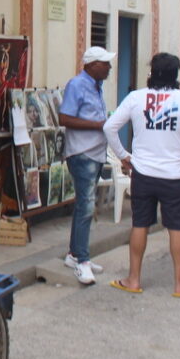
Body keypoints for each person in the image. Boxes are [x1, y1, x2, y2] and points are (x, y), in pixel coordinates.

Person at [104, 53, 180, 297]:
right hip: (175, 176)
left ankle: (133, 279)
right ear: (176, 76)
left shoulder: (135, 98)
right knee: (177, 227)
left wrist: (122, 155)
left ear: (152, 74)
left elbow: (109, 127)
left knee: (140, 224)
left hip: (143, 174)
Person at [58, 46, 116, 285]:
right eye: (105, 63)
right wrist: (98, 125)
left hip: (94, 153)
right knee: (86, 207)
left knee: (85, 206)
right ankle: (82, 260)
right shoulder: (77, 85)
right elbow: (64, 118)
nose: (110, 67)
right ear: (92, 65)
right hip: (81, 154)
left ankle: (75, 254)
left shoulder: (96, 86)